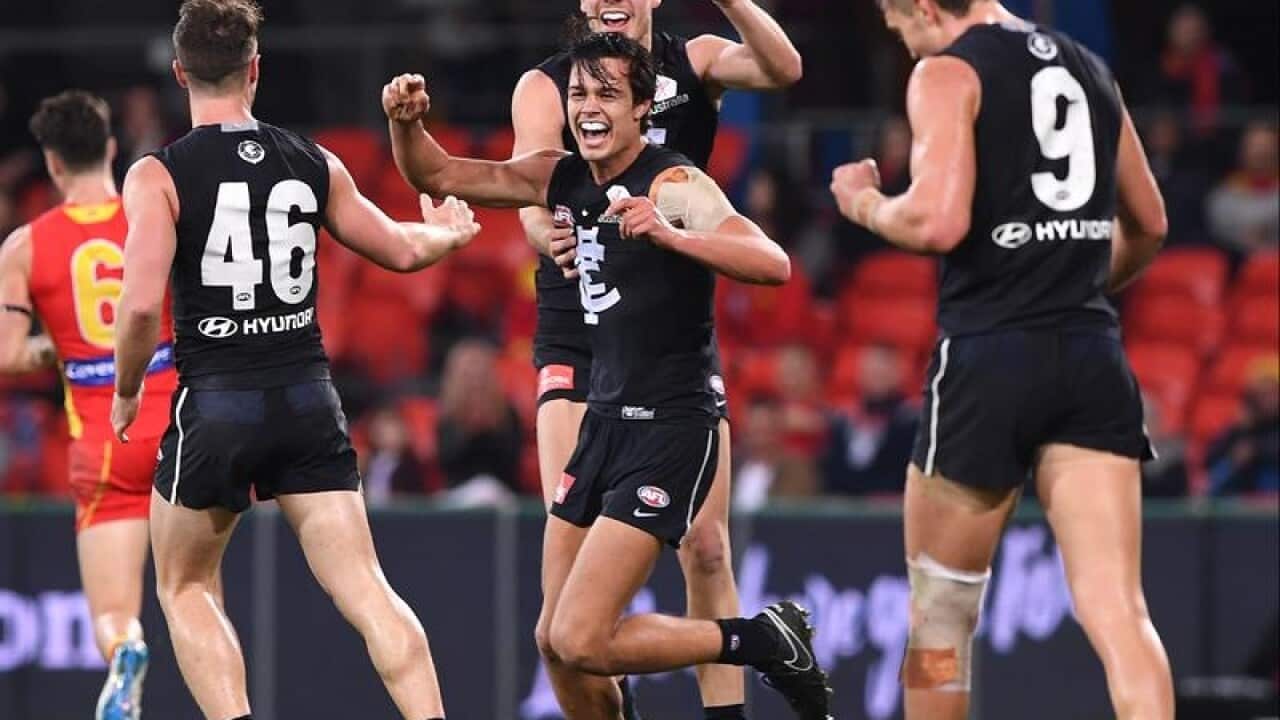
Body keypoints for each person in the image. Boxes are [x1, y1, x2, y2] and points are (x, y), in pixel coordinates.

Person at [384, 33, 831, 720]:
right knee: (553, 640)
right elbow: (438, 175)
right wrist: (405, 126)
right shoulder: (559, 177)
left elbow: (773, 263)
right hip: (604, 425)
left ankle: (762, 640)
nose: (589, 108)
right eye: (579, 94)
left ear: (642, 107)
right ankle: (760, 640)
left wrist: (671, 234)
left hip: (671, 427)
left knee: (580, 636)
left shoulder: (672, 182)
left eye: (608, 95)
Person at [109, 2, 481, 719]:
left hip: (217, 405)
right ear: (255, 69)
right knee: (367, 588)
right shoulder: (312, 160)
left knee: (185, 587)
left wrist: (127, 390)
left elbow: (139, 307)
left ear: (180, 73)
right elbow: (401, 249)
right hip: (308, 399)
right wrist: (449, 235)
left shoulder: (157, 174)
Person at [831, 2, 1174, 719]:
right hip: (1090, 356)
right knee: (1120, 610)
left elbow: (936, 220)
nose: (900, 39)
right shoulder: (1089, 68)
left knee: (940, 617)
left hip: (987, 362)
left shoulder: (948, 73)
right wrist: (1069, 281)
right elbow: (1150, 223)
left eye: (899, 20)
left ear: (927, 6)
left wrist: (862, 202)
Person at [511, 4, 802, 717]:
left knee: (707, 547)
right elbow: (527, 186)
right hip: (578, 328)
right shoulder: (548, 85)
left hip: (667, 333)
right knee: (564, 612)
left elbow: (784, 68)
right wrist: (547, 233)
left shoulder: (695, 61)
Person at [0, 90, 175, 720]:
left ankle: (126, 651)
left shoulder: (24, 247)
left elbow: (7, 356)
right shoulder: (155, 214)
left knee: (113, 612)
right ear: (110, 148)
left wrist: (64, 347)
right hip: (179, 428)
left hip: (104, 442)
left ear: (51, 164)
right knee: (195, 594)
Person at [821, 344, 918, 497]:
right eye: (871, 371)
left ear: (899, 374)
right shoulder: (842, 421)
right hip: (842, 505)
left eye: (882, 372)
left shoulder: (911, 422)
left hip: (890, 506)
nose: (875, 377)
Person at [1206, 358, 1280, 496]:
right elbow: (1211, 458)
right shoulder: (1245, 426)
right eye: (1262, 393)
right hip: (1245, 496)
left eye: (1273, 392)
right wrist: (1238, 430)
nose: (1268, 399)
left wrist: (1256, 449)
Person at [1206, 122, 1279, 254]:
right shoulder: (1225, 193)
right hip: (1237, 259)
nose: (1261, 153)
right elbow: (1219, 231)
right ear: (1243, 152)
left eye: (1267, 146)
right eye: (1255, 147)